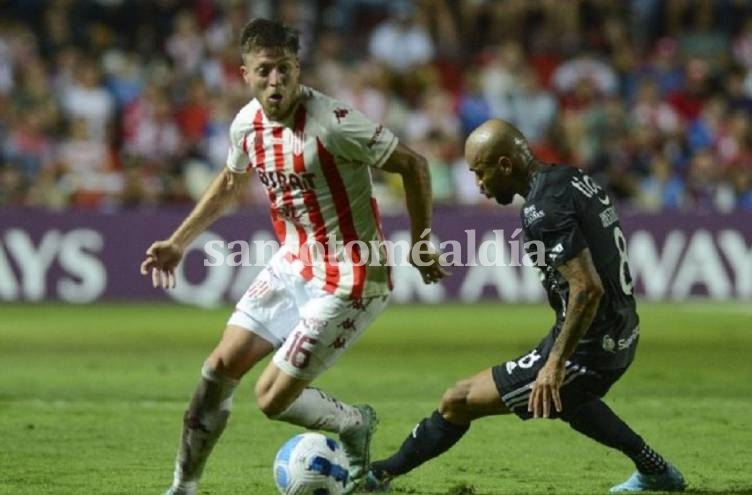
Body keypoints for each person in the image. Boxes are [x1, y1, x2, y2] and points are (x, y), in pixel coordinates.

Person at [139, 18, 448, 495]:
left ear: (297, 68)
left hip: (352, 277)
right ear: (245, 74)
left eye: (284, 69)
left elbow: (413, 164)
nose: (275, 81)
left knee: (269, 398)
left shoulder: (333, 124)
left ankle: (353, 422)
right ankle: (184, 487)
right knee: (218, 369)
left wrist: (423, 239)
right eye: (264, 71)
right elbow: (227, 184)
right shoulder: (247, 124)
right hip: (293, 263)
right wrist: (179, 242)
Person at [365, 119, 686, 493]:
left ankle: (378, 476)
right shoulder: (569, 177)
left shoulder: (543, 208)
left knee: (458, 400)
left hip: (590, 345)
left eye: (480, 173)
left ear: (505, 164)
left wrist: (554, 363)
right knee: (566, 399)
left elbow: (586, 289)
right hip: (619, 329)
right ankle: (655, 471)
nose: (479, 185)